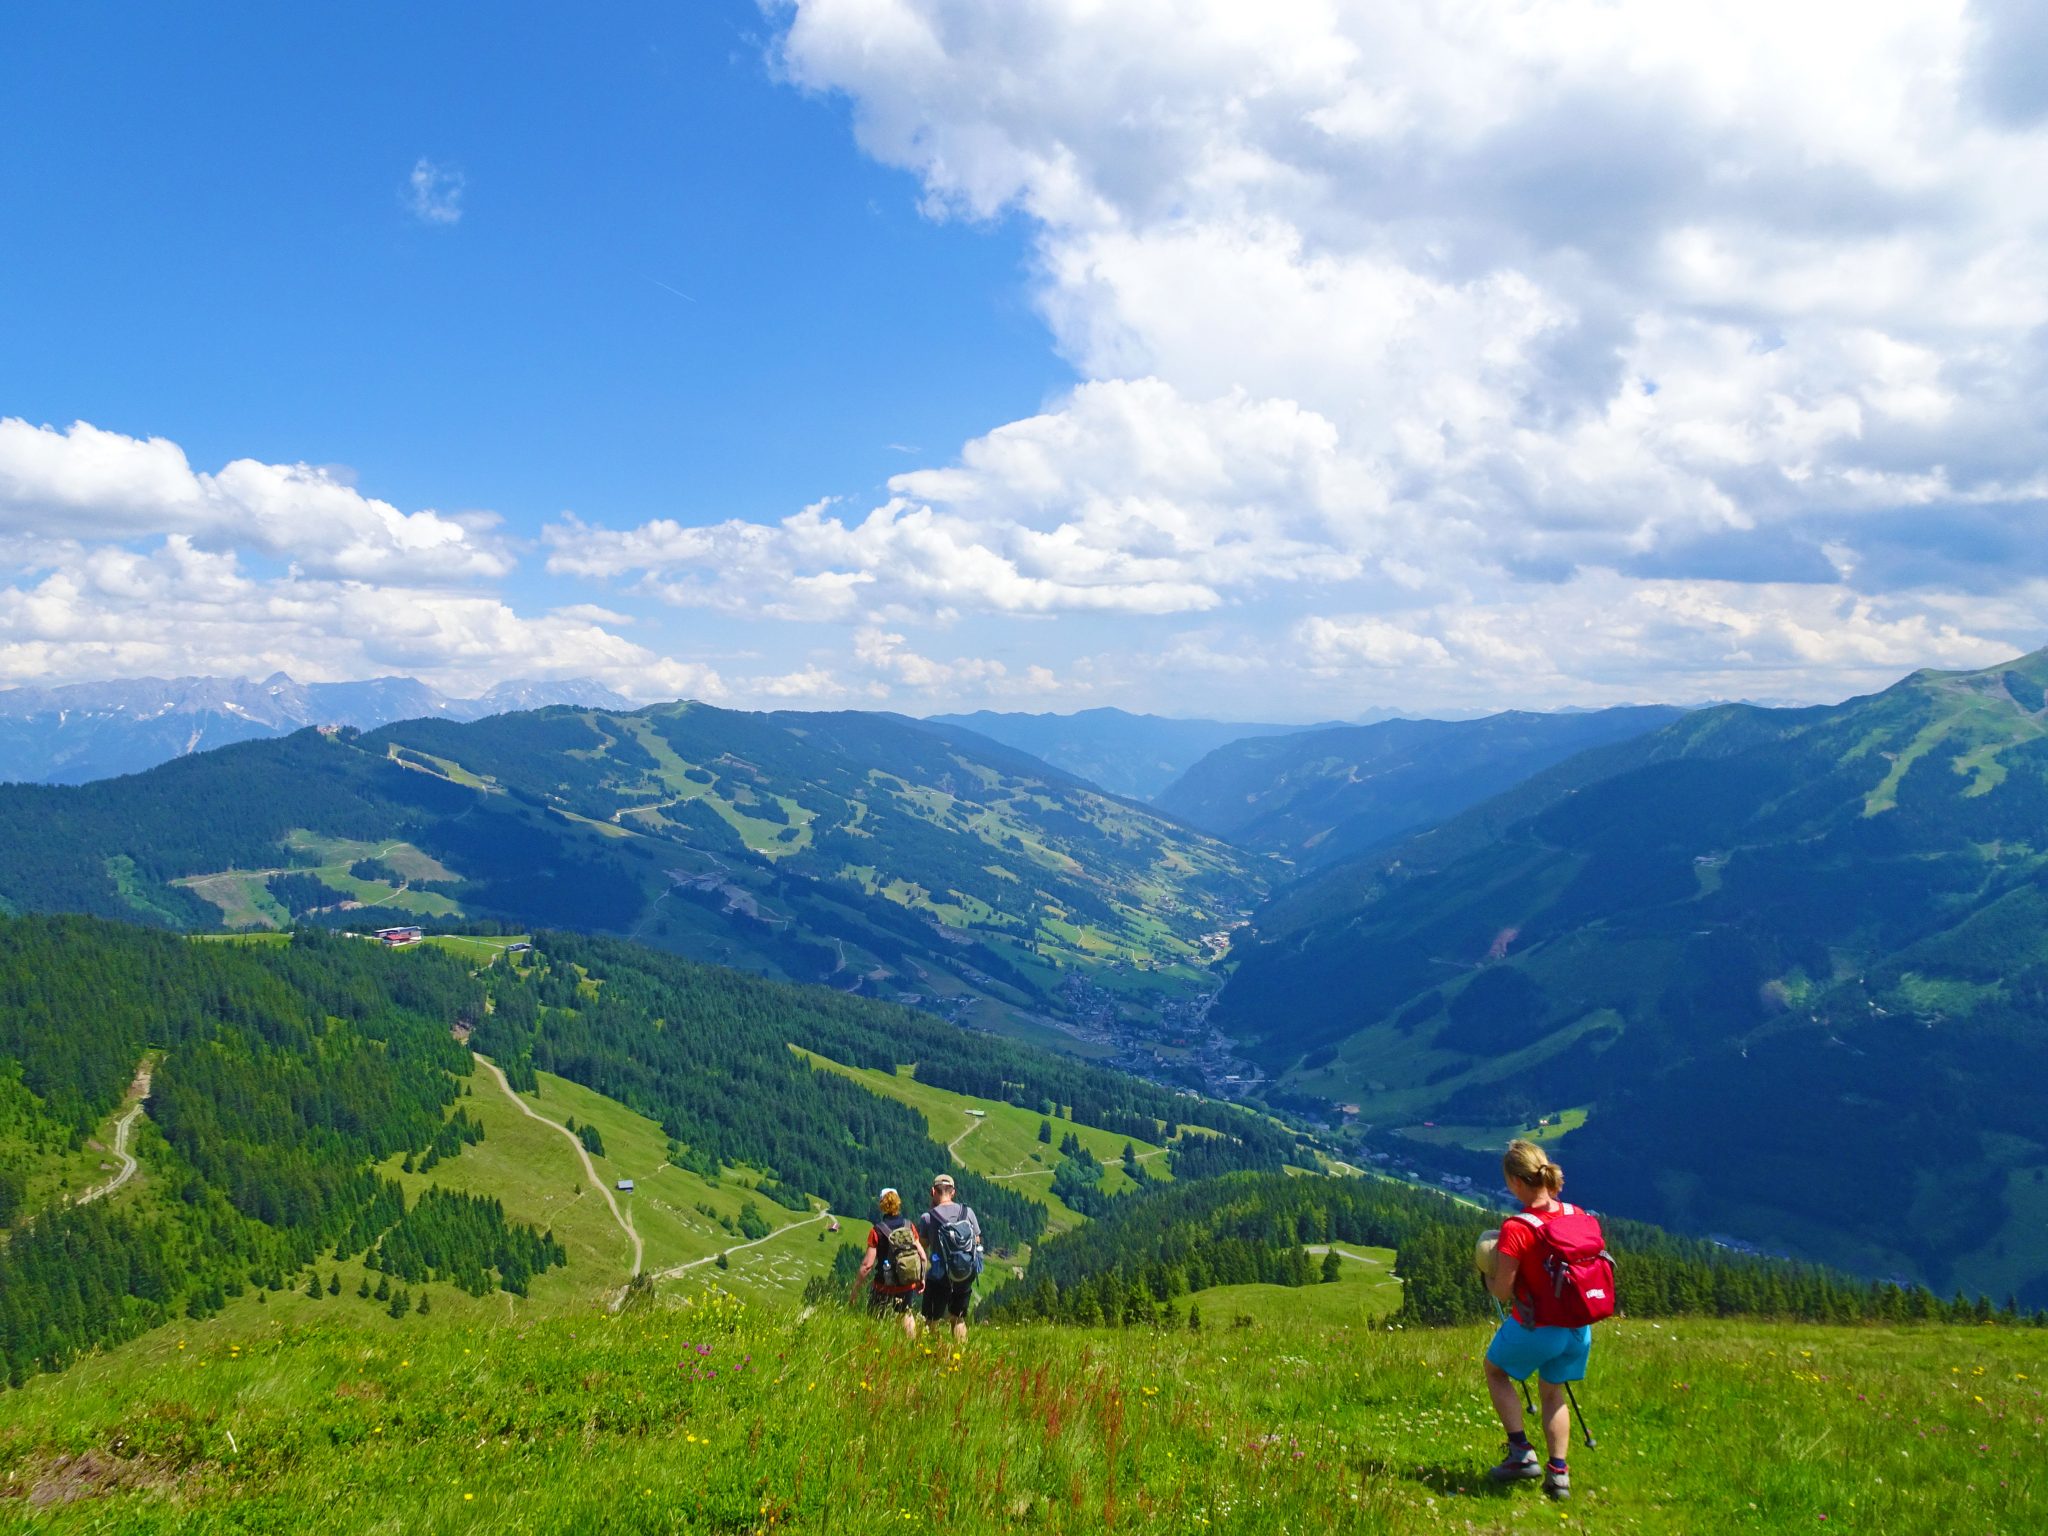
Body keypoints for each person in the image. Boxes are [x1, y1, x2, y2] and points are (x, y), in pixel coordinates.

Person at [1482, 1139, 1602, 1502]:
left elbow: (1502, 1292)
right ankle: (1559, 1475)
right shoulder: (1576, 1215)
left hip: (1537, 1327)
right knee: (1553, 1393)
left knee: (1495, 1371)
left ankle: (1520, 1452)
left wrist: (1487, 1272)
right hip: (1578, 1328)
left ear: (1517, 1182)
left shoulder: (1517, 1228)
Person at [914, 1173, 983, 1345]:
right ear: (953, 1192)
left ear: (933, 1191)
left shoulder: (928, 1218)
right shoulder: (968, 1213)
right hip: (963, 1274)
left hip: (938, 1277)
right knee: (958, 1318)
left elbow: (922, 1247)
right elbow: (977, 1240)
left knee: (930, 1320)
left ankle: (932, 1354)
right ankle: (962, 1355)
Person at [851, 1186, 926, 1338]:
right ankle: (912, 1347)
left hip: (883, 1284)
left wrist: (855, 1290)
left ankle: (874, 1346)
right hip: (906, 1283)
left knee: (876, 1318)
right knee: (906, 1314)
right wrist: (921, 1278)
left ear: (882, 1205)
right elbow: (922, 1255)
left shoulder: (877, 1230)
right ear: (898, 1203)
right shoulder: (909, 1225)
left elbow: (867, 1265)